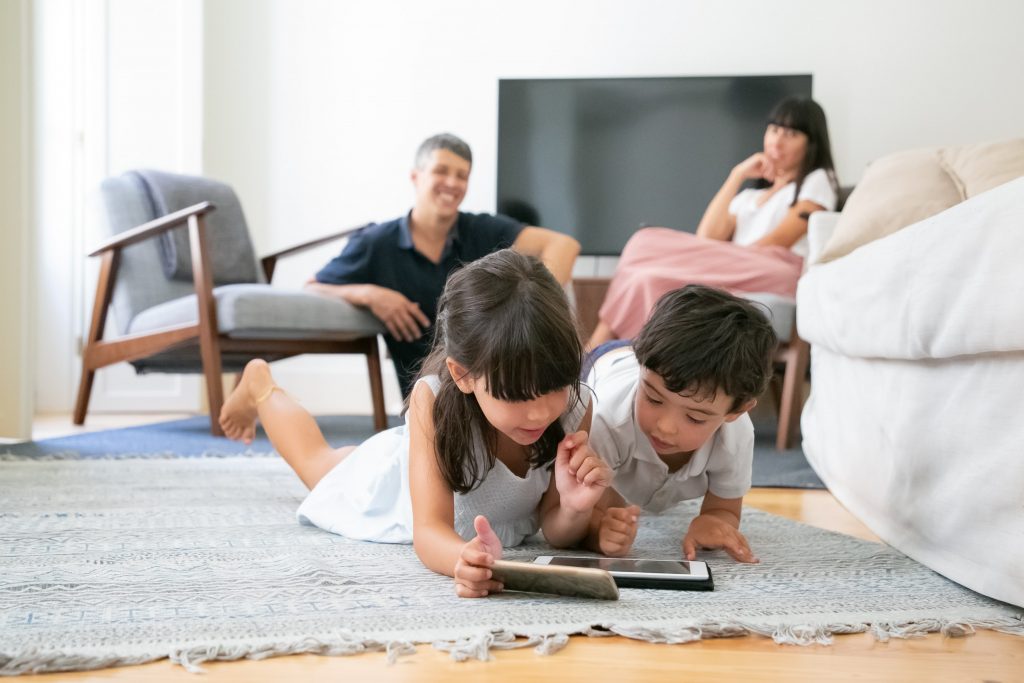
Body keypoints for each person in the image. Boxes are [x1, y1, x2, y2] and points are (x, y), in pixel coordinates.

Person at [220, 250, 612, 598]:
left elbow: (554, 527)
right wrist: (463, 557)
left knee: (336, 457)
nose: (540, 413)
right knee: (317, 462)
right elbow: (428, 533)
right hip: (393, 485)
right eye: (517, 395)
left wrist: (576, 509)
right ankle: (260, 384)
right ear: (463, 376)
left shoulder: (576, 406)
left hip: (422, 457)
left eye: (555, 386)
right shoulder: (435, 397)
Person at [305, 133, 581, 397]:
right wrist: (370, 294)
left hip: (493, 388)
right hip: (424, 396)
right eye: (441, 171)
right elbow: (313, 288)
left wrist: (535, 305)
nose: (452, 182)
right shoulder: (375, 244)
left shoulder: (482, 230)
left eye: (462, 176)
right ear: (416, 177)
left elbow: (564, 245)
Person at [587, 97, 838, 350]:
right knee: (645, 277)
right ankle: (611, 358)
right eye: (774, 130)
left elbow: (779, 240)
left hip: (776, 270)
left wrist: (725, 256)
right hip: (734, 267)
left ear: (811, 142)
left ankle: (590, 355)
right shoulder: (749, 197)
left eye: (791, 133)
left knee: (646, 240)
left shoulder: (817, 181)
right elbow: (706, 238)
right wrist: (736, 175)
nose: (777, 141)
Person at [584, 285, 777, 563]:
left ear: (736, 411)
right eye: (652, 398)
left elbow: (725, 509)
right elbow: (587, 507)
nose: (665, 427)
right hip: (605, 364)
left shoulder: (736, 436)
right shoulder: (606, 419)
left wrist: (712, 520)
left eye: (695, 417)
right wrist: (599, 528)